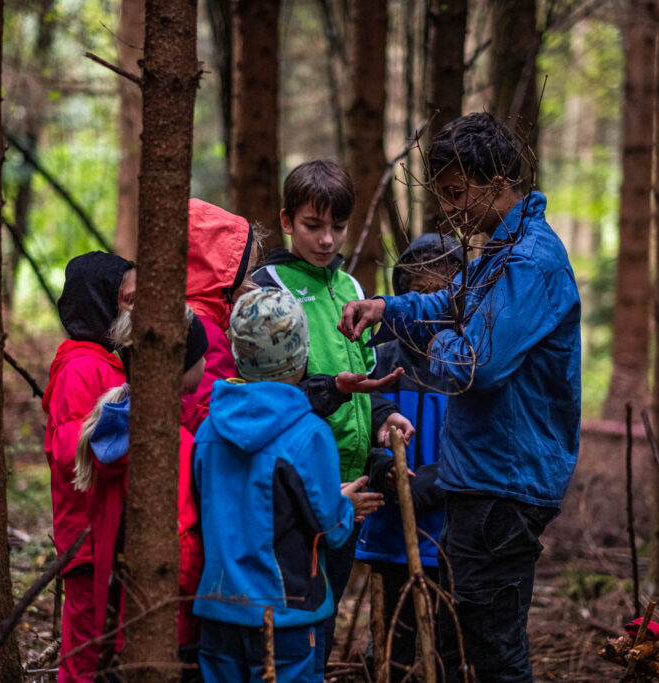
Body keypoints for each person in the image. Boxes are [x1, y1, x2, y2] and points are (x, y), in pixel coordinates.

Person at [339, 113, 581, 682]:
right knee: (458, 632)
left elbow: (477, 362)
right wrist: (387, 309)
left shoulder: (528, 262)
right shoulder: (499, 253)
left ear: (496, 179)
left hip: (506, 481)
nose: (449, 209)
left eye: (455, 192)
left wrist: (449, 335)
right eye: (442, 194)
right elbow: (451, 305)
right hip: (480, 478)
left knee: (493, 647)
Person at [252, 159, 415, 660]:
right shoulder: (266, 284)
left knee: (327, 606)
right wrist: (332, 393)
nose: (326, 240)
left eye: (337, 227)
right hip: (296, 481)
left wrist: (383, 410)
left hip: (351, 485)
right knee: (291, 613)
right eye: (312, 225)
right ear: (286, 221)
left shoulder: (351, 288)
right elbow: (261, 392)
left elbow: (362, 366)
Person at [192, 287, 383, 681]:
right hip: (287, 612)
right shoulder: (309, 433)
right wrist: (347, 505)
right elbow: (330, 528)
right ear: (302, 353)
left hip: (218, 607)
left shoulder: (208, 428)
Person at [72, 308, 210, 675]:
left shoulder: (113, 425)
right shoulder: (170, 444)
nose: (208, 361)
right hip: (166, 625)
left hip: (115, 625)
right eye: (200, 354)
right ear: (176, 365)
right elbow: (176, 545)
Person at [355, 233, 462, 680]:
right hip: (390, 531)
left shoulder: (469, 362)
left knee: (452, 645)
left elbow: (483, 437)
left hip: (451, 535)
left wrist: (436, 482)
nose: (428, 308)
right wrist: (384, 471)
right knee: (389, 645)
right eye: (418, 295)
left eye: (441, 296)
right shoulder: (379, 358)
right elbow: (360, 422)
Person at [42, 251, 135, 682]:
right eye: (126, 300)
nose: (133, 310)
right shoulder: (81, 368)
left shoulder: (108, 360)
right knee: (85, 650)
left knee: (108, 644)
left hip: (109, 535)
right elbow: (71, 452)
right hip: (87, 538)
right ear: (100, 304)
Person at [182, 198, 256, 433]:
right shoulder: (205, 333)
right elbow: (209, 414)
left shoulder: (179, 319)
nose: (252, 284)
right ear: (225, 279)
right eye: (247, 273)